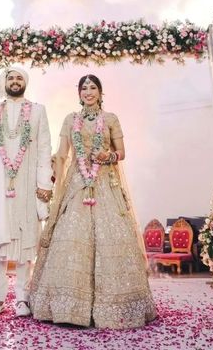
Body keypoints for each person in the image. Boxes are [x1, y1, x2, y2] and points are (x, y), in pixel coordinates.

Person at [30, 74, 157, 329]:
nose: (88, 92)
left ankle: (113, 307)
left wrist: (107, 155)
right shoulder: (70, 120)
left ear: (100, 92)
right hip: (77, 183)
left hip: (105, 183)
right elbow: (62, 154)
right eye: (84, 88)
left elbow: (122, 153)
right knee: (70, 235)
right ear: (79, 94)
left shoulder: (110, 119)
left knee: (111, 235)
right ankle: (68, 307)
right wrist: (49, 175)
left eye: (93, 87)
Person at [0, 67, 53, 317]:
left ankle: (22, 299)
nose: (15, 81)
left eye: (20, 77)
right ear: (4, 82)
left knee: (24, 244)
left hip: (27, 184)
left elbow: (44, 148)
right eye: (11, 78)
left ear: (25, 83)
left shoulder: (37, 111)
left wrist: (44, 184)